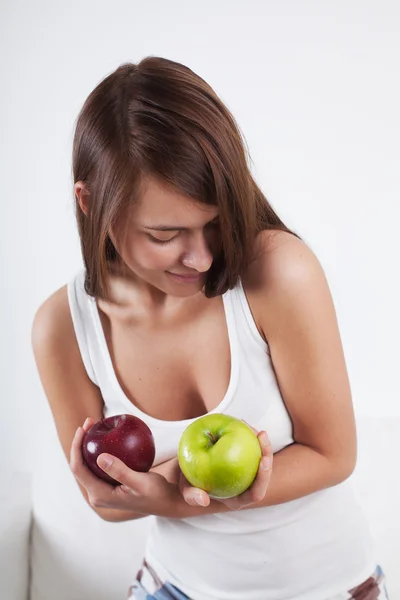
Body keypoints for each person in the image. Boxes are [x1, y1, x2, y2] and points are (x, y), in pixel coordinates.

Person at [31, 56, 389, 600]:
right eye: (166, 233)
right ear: (90, 204)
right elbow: (105, 502)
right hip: (172, 588)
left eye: (215, 223)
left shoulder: (277, 273)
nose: (200, 258)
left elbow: (333, 454)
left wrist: (177, 495)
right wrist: (114, 493)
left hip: (330, 589)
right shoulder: (62, 328)